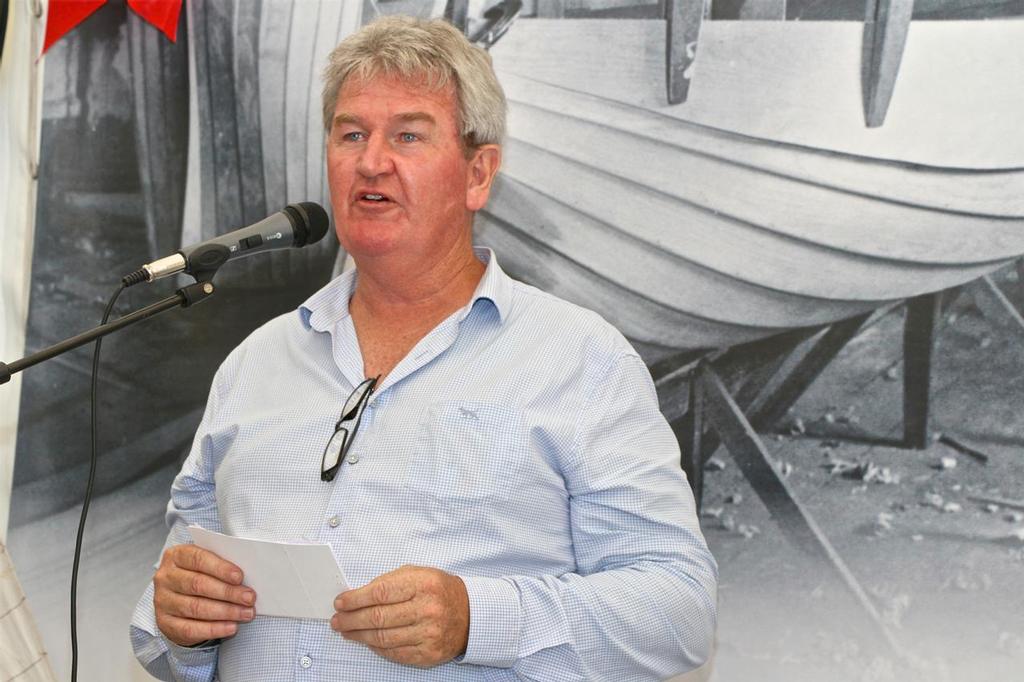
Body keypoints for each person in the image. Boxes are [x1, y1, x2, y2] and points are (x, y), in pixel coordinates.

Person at [130, 15, 717, 682]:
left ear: (479, 173)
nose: (371, 161)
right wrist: (178, 621)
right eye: (351, 134)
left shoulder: (580, 359)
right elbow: (174, 604)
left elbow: (678, 613)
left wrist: (477, 618)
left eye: (408, 135)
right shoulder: (256, 364)